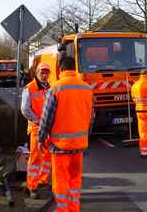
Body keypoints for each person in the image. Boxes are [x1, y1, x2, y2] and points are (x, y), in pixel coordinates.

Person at [39, 56, 93, 212]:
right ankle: (73, 208)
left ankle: (62, 209)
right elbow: (91, 116)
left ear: (61, 70)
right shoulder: (87, 89)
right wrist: (84, 136)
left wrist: (41, 138)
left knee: (61, 181)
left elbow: (46, 118)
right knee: (75, 180)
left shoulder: (55, 89)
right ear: (74, 69)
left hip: (59, 146)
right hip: (79, 146)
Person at [21, 62, 52, 199]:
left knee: (47, 157)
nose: (44, 75)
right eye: (42, 72)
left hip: (48, 129)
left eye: (46, 73)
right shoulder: (30, 88)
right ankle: (31, 186)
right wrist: (39, 121)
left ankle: (43, 180)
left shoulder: (49, 87)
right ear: (36, 73)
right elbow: (25, 109)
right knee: (35, 159)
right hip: (36, 129)